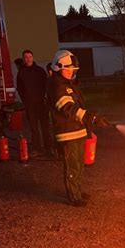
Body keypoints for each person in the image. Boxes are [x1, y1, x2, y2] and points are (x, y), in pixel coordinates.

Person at [47, 50, 98, 207]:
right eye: (69, 69)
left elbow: (77, 105)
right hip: (67, 133)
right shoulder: (57, 86)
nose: (72, 72)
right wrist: (86, 116)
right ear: (59, 67)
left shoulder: (68, 84)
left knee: (79, 164)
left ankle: (77, 190)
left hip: (77, 130)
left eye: (73, 70)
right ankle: (74, 196)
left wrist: (90, 119)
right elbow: (67, 107)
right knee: (72, 165)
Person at [17, 49, 52, 157]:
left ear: (33, 57)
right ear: (24, 59)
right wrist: (25, 101)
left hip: (41, 104)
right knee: (34, 127)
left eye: (30, 57)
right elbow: (20, 88)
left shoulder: (40, 71)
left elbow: (46, 85)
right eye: (26, 57)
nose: (28, 59)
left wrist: (45, 99)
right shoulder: (21, 72)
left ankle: (48, 148)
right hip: (30, 105)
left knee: (45, 126)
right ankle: (37, 148)